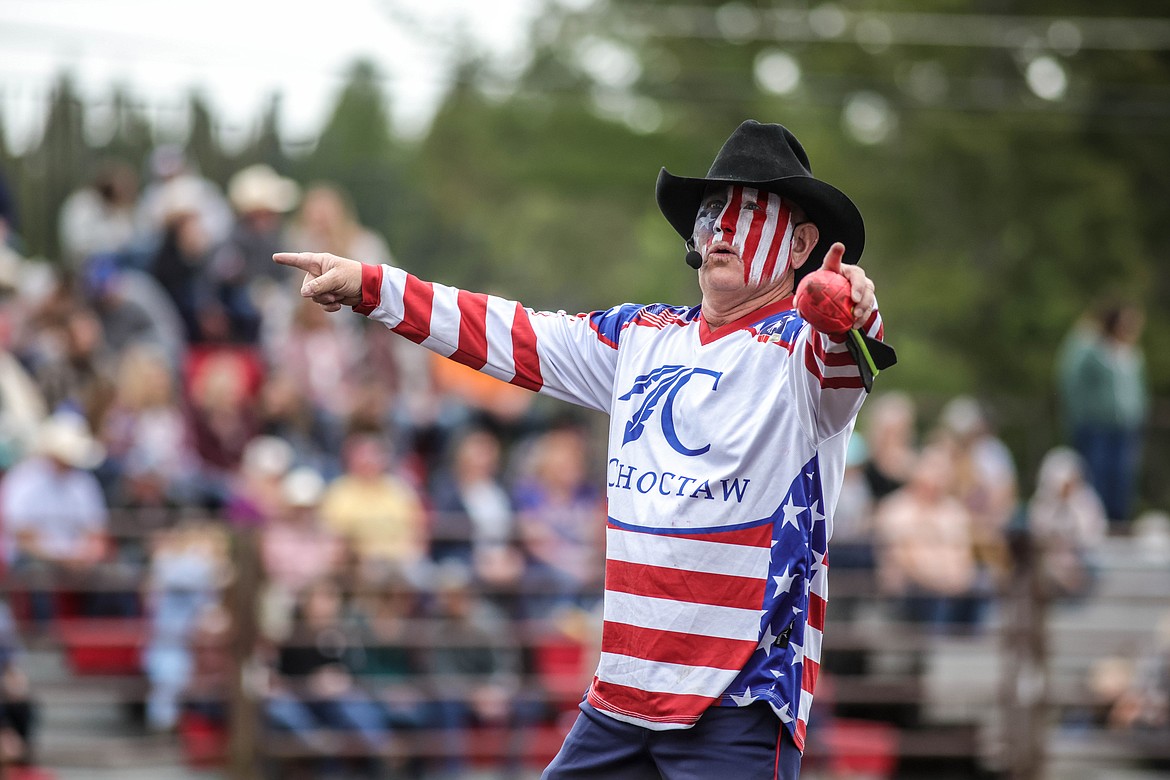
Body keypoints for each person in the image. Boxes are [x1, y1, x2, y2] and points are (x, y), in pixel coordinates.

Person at [274, 119, 892, 779]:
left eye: (752, 210)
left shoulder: (803, 357)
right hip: (620, 696)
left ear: (801, 242)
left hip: (737, 704)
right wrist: (372, 286)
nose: (724, 229)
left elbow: (846, 354)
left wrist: (852, 309)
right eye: (714, 212)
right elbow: (508, 331)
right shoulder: (640, 337)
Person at [1056, 301, 1149, 526]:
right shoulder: (1092, 350)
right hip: (1096, 425)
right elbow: (1069, 375)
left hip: (1125, 427)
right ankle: (1094, 521)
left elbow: (1138, 390)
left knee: (1122, 477)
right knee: (1096, 475)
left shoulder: (1131, 355)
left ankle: (1118, 521)